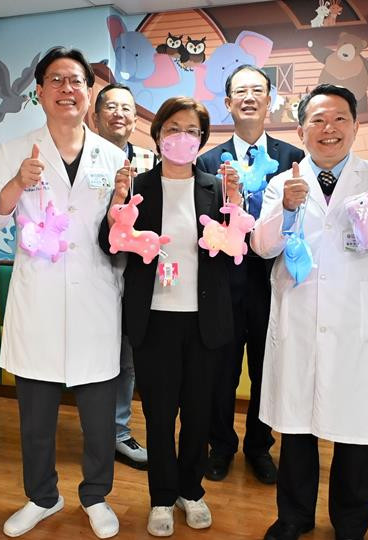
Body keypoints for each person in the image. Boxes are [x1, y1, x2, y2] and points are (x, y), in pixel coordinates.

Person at [251, 84, 368, 540]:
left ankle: (351, 524)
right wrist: (287, 209)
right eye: (317, 120)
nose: (328, 129)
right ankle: (293, 517)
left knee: (355, 437)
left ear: (354, 126)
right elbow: (262, 247)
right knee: (297, 433)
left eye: (339, 119)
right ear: (301, 130)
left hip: (355, 326)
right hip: (299, 322)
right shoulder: (282, 183)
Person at [0, 47, 127, 540]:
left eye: (76, 80)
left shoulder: (113, 156)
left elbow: (117, 231)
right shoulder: (13, 150)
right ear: (38, 92)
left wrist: (124, 210)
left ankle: (96, 495)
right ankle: (42, 496)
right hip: (38, 300)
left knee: (99, 419)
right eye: (56, 80)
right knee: (36, 418)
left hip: (96, 300)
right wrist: (17, 183)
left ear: (89, 92)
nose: (67, 89)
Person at [99, 97, 241, 537]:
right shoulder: (138, 185)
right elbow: (109, 243)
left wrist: (237, 208)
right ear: (158, 134)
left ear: (202, 139)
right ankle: (161, 496)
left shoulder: (216, 188)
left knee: (198, 414)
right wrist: (115, 207)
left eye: (192, 131)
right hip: (154, 319)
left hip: (204, 320)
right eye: (174, 128)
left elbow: (235, 248)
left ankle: (191, 490)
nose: (183, 137)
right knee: (159, 416)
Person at [195, 64, 304, 484]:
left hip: (275, 283)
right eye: (240, 91)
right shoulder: (208, 161)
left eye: (257, 90)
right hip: (224, 283)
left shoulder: (293, 158)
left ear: (269, 100)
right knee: (220, 372)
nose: (249, 98)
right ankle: (221, 446)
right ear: (228, 103)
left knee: (266, 369)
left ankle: (260, 447)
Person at [92, 82, 149, 471]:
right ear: (96, 116)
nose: (119, 114)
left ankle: (117, 431)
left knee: (126, 361)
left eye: (127, 108)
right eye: (110, 106)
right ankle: (95, 431)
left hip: (135, 280)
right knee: (92, 359)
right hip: (89, 273)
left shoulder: (150, 161)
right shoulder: (82, 158)